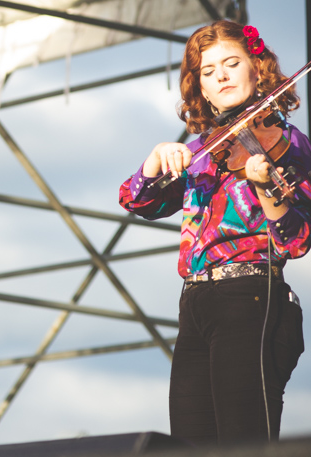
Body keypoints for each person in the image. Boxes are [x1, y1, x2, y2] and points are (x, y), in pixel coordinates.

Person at [119, 20, 309, 446]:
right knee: (190, 446)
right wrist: (154, 161)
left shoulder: (289, 144)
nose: (220, 75)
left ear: (256, 70)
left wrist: (264, 186)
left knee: (244, 445)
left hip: (251, 298)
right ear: (202, 88)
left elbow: (296, 240)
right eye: (208, 71)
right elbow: (138, 201)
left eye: (231, 63)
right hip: (194, 304)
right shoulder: (199, 151)